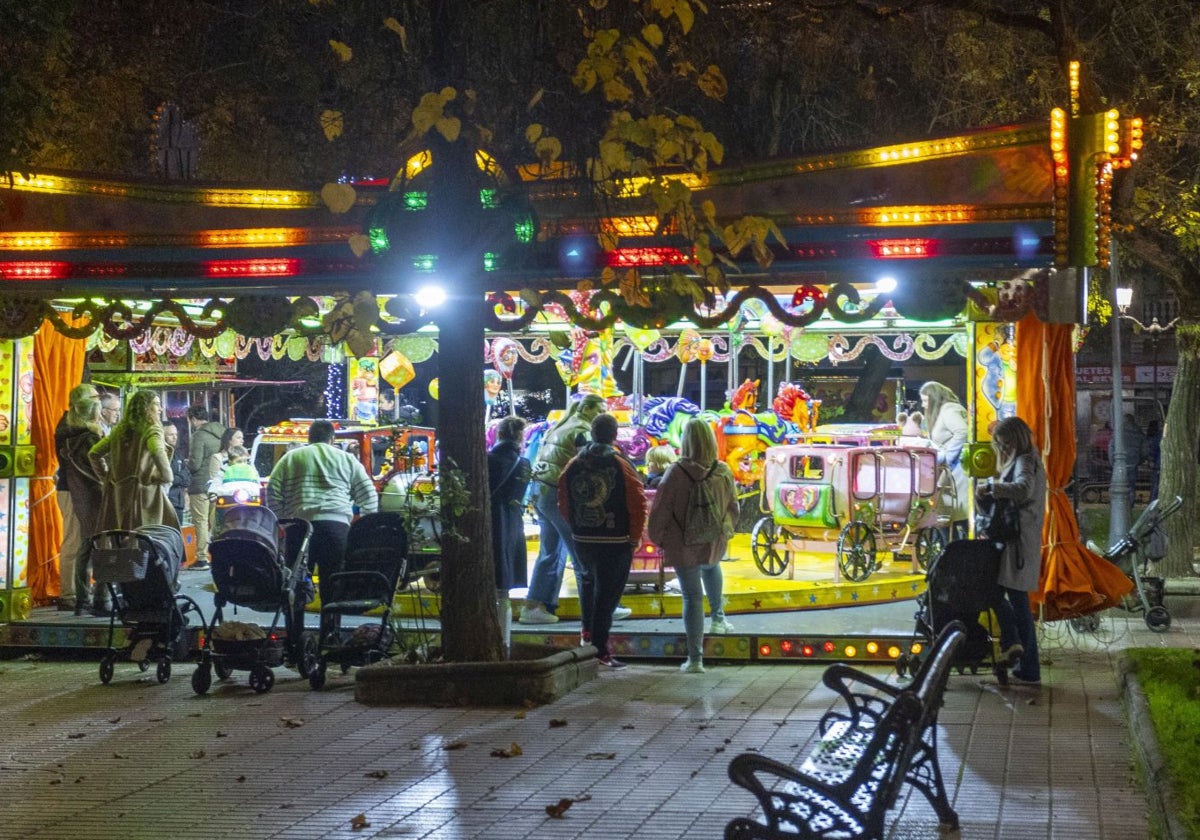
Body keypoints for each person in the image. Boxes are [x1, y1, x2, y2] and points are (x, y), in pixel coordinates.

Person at [647, 418, 738, 674]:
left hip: (682, 543)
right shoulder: (722, 471)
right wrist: (725, 531)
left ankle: (695, 659)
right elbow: (734, 506)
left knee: (691, 597)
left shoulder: (675, 473)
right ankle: (718, 618)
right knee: (711, 568)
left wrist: (659, 538)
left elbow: (660, 511)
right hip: (713, 540)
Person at [558, 413, 646, 669]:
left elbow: (562, 497)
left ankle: (587, 635)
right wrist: (634, 536)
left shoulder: (575, 462)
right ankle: (600, 648)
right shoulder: (620, 463)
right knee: (608, 595)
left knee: (588, 584)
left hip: (583, 537)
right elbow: (637, 501)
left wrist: (575, 525)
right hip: (615, 539)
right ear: (614, 434)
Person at [266, 419, 378, 616]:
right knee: (332, 584)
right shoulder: (346, 459)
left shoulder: (290, 458)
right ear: (332, 438)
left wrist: (285, 520)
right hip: (336, 529)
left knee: (296, 585)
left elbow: (272, 491)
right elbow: (369, 495)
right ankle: (329, 635)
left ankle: (295, 636)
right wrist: (361, 528)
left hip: (299, 528)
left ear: (309, 437)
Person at [520, 393, 607, 625]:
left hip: (542, 490)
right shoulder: (582, 430)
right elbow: (589, 464)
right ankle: (598, 606)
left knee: (552, 551)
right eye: (599, 411)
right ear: (587, 408)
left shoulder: (561, 425)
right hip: (558, 493)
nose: (602, 416)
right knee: (581, 550)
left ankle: (535, 605)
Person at [975, 415, 1046, 687]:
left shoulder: (1025, 461)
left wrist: (992, 487)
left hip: (1017, 542)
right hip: (1017, 541)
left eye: (1004, 444)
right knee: (1007, 596)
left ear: (1015, 440)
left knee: (1012, 600)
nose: (1002, 450)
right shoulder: (1027, 459)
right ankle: (1018, 650)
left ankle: (1025, 661)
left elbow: (1023, 488)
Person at [89, 389, 178, 533]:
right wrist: (166, 476)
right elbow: (157, 450)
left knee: (122, 539)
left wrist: (107, 477)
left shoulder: (120, 431)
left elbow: (94, 453)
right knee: (148, 539)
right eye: (156, 404)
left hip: (119, 496)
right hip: (145, 497)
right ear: (146, 407)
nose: (160, 409)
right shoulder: (151, 429)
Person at [55, 386, 105, 615]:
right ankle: (70, 593)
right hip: (75, 490)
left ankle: (77, 594)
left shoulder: (70, 426)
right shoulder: (76, 431)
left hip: (74, 488)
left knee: (82, 542)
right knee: (76, 542)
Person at [488, 415, 532, 655]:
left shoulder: (488, 460)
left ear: (499, 434)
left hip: (491, 526)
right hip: (513, 527)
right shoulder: (524, 464)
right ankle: (503, 642)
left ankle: (490, 641)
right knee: (503, 591)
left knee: (490, 587)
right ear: (520, 436)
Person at [920, 381, 970, 537]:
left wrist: (948, 456)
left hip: (957, 470)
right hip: (954, 470)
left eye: (926, 400)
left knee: (952, 514)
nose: (924, 405)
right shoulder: (952, 409)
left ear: (935, 398)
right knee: (951, 515)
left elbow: (962, 432)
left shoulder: (948, 410)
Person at [185, 406, 226, 571]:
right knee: (214, 521)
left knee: (200, 521)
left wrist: (186, 465)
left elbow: (195, 463)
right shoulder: (222, 432)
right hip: (217, 484)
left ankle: (202, 558)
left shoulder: (199, 435)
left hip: (201, 484)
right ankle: (218, 553)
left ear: (193, 419)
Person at [1109, 413, 1145, 502]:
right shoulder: (1139, 432)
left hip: (1118, 464)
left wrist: (1112, 462)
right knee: (1131, 487)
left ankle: (1119, 505)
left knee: (1117, 486)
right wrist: (1139, 461)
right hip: (1133, 463)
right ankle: (1129, 506)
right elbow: (1144, 450)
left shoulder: (1118, 432)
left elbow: (1111, 447)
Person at [163, 422, 190, 528]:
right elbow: (166, 478)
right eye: (170, 435)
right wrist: (179, 477)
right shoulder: (160, 455)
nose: (175, 438)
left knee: (178, 535)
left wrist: (177, 477)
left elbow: (188, 477)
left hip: (178, 503)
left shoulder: (178, 454)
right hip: (166, 502)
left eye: (176, 434)